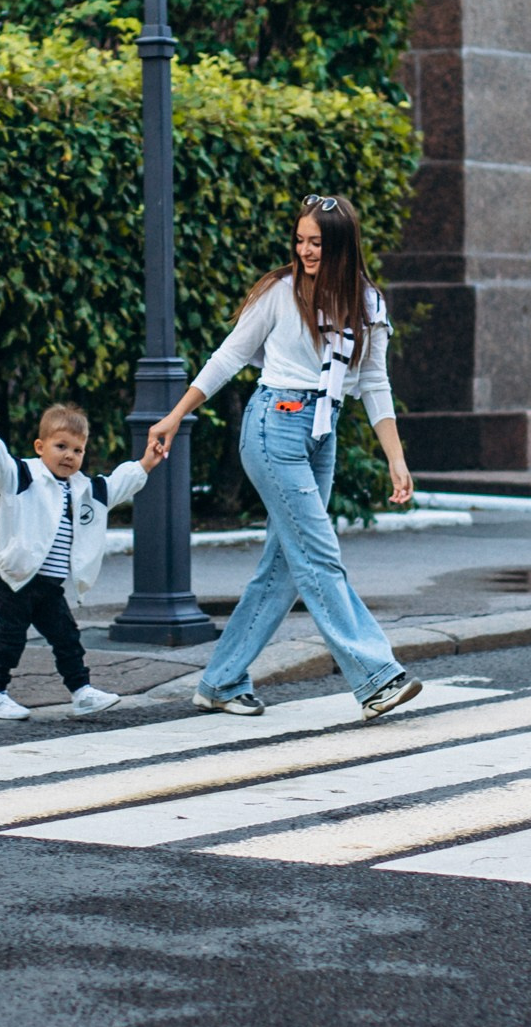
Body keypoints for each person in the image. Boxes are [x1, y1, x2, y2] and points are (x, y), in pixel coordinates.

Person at [145, 194, 421, 721]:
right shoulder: (279, 292)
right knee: (319, 554)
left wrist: (396, 459)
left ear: (341, 244)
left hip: (323, 431)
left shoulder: (367, 305)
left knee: (286, 566)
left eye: (316, 242)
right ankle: (375, 676)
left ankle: (221, 681)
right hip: (275, 424)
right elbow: (228, 355)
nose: (305, 250)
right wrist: (176, 413)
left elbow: (373, 384)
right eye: (299, 240)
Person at [0, 405, 162, 721]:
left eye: (77, 450)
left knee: (67, 637)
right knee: (10, 637)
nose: (69, 456)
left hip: (49, 585)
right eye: (61, 447)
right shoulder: (22, 476)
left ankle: (82, 692)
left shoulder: (85, 489)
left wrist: (145, 464)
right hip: (15, 578)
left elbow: (117, 484)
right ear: (40, 446)